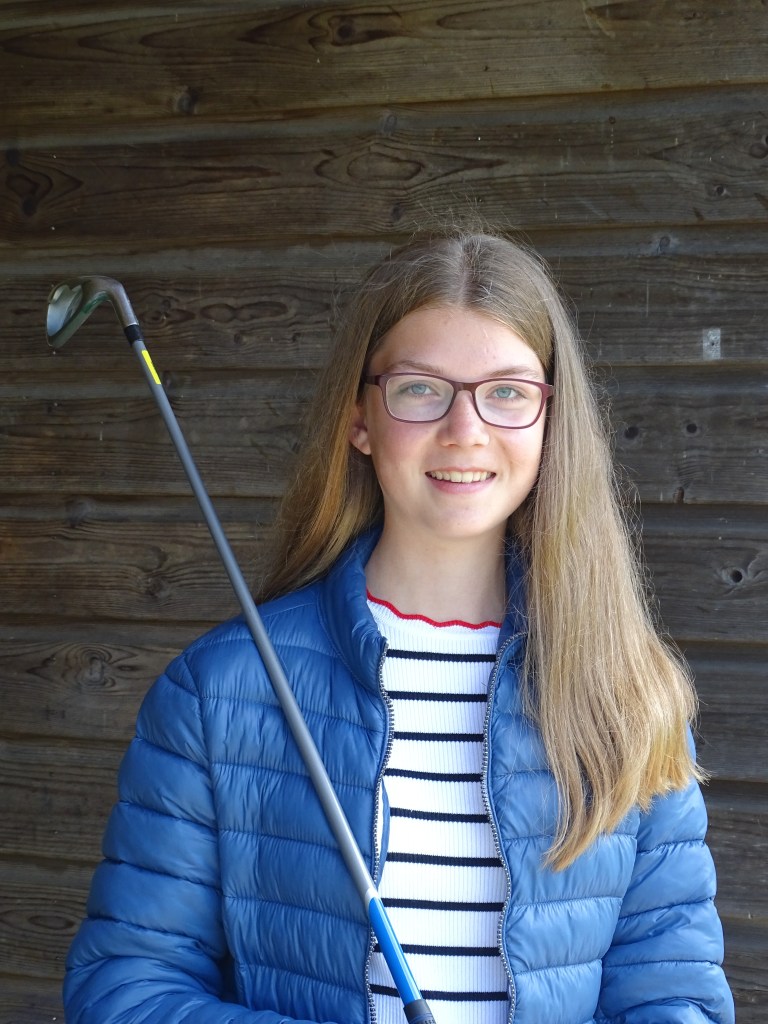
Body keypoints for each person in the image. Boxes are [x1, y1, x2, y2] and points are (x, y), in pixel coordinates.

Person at [63, 231, 735, 1024]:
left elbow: (675, 998)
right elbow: (125, 990)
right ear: (360, 418)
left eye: (508, 392)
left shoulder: (628, 694)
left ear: (551, 421)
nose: (465, 429)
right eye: (420, 389)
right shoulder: (220, 690)